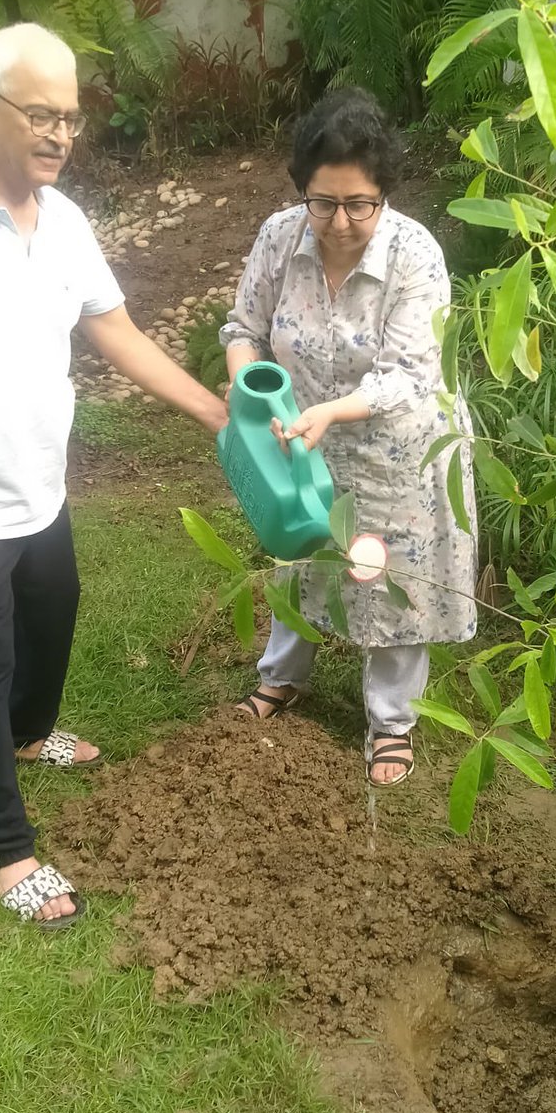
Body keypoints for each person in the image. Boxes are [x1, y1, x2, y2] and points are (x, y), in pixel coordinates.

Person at [0, 23, 227, 930]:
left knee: (52, 617)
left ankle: (29, 736)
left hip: (37, 485)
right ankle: (1, 848)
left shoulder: (61, 220)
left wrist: (218, 414)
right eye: (40, 115)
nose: (62, 133)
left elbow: (116, 330)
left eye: (72, 116)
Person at [220, 87, 478, 787]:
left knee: (382, 569)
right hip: (305, 434)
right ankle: (284, 677)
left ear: (384, 194)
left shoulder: (414, 255)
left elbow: (409, 375)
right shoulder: (280, 237)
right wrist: (249, 391)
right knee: (298, 554)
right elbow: (244, 329)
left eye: (357, 204)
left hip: (398, 443)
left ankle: (392, 719)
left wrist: (332, 411)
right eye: (322, 201)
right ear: (302, 191)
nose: (338, 222)